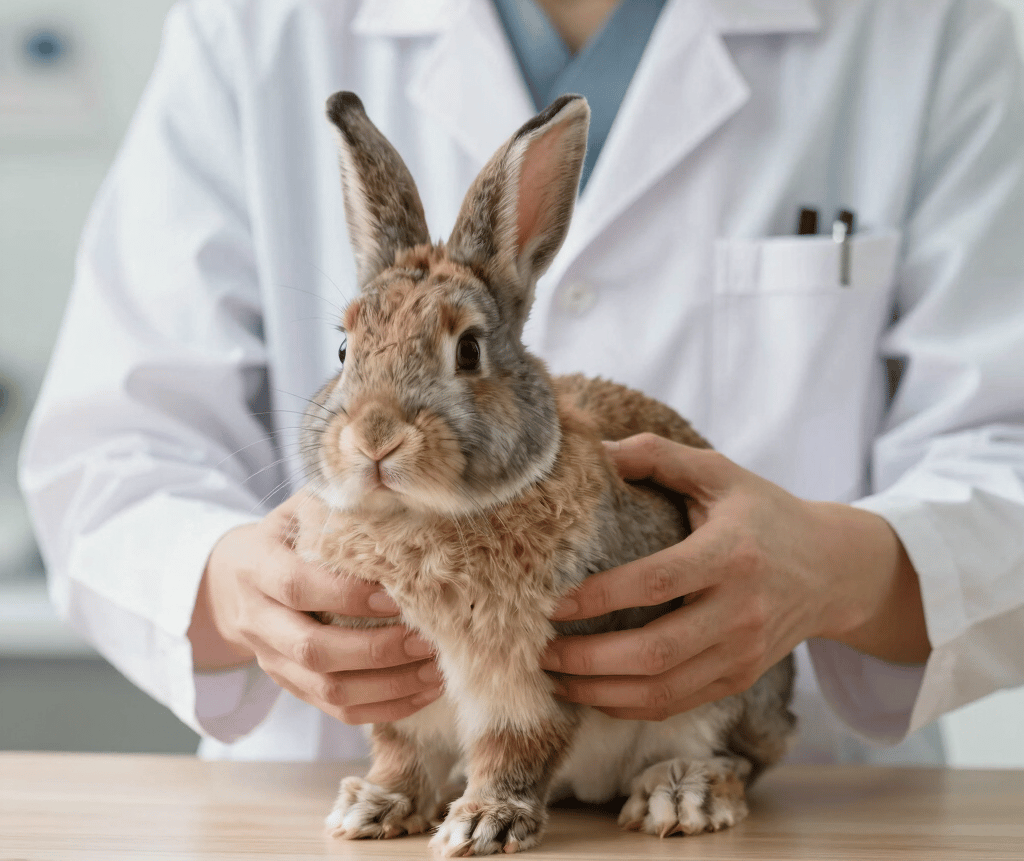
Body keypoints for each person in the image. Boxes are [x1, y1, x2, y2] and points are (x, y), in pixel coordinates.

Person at [19, 0, 1024, 765]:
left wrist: (840, 572)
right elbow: (109, 456)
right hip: (329, 794)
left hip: (780, 804)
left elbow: (1005, 447)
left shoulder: (926, 25)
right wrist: (238, 591)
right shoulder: (259, 24)